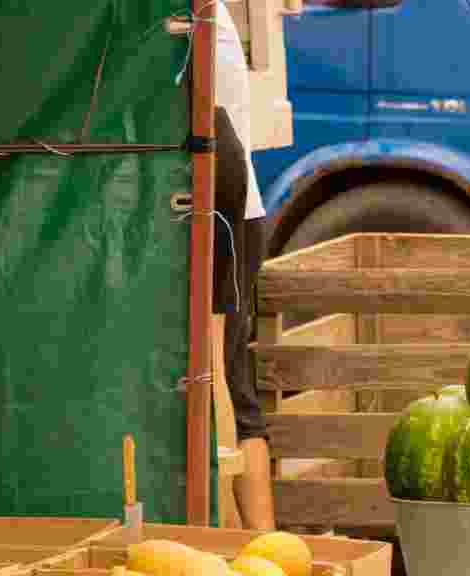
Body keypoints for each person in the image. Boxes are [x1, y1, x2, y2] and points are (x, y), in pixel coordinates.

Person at [211, 0, 275, 531]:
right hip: (234, 206)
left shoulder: (195, 17)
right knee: (229, 381)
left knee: (225, 380)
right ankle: (257, 545)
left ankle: (254, 544)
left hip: (224, 210)